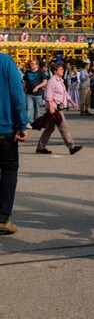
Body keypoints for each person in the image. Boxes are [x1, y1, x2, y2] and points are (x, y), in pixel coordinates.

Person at [0, 53, 28, 234]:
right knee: (9, 170)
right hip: (4, 129)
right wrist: (22, 123)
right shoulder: (5, 61)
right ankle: (2, 218)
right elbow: (17, 95)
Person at [35, 62, 83, 155]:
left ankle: (40, 147)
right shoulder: (52, 81)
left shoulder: (60, 80)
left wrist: (72, 102)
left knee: (49, 128)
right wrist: (51, 107)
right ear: (55, 71)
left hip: (57, 108)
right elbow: (48, 95)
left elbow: (65, 93)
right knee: (63, 127)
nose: (62, 70)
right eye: (60, 69)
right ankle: (71, 146)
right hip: (54, 108)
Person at [22, 58, 47, 128]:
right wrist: (22, 90)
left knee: (37, 109)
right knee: (29, 108)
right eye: (31, 64)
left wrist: (37, 87)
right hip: (28, 93)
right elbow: (25, 82)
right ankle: (28, 123)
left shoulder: (41, 72)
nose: (31, 65)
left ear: (37, 65)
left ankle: (37, 122)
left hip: (38, 94)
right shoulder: (27, 72)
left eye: (33, 64)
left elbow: (45, 81)